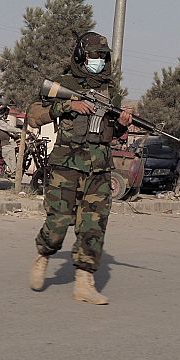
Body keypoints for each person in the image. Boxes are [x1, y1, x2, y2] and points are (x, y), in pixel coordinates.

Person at [27, 32, 131, 305]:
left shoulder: (111, 92)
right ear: (81, 56)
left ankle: (84, 282)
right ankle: (43, 255)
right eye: (94, 55)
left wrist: (122, 124)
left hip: (99, 169)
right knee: (59, 221)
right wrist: (66, 105)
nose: (99, 60)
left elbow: (112, 132)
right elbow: (33, 116)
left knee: (93, 225)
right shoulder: (64, 84)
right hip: (66, 166)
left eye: (103, 56)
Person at [0, 106, 21, 175]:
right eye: (6, 114)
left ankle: (14, 167)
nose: (7, 116)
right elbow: (8, 128)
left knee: (16, 145)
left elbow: (7, 131)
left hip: (3, 143)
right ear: (4, 114)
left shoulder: (1, 122)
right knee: (10, 150)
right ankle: (13, 170)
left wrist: (14, 135)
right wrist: (21, 131)